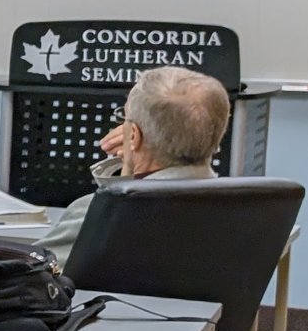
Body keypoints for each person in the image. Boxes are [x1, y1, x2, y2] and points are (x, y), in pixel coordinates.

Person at [35, 66, 229, 268]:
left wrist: (129, 169)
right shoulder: (239, 207)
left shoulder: (102, 211)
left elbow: (25, 277)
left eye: (123, 118)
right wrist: (130, 166)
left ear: (134, 135)